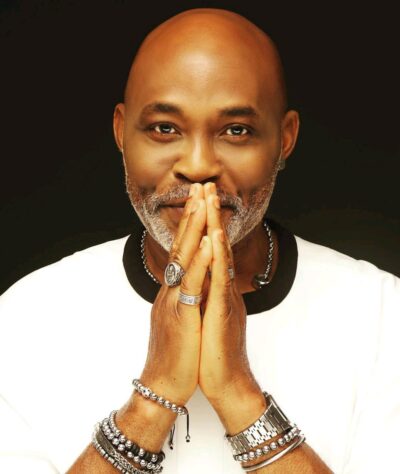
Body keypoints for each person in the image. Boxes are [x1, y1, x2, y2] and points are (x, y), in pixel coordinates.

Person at [0, 7, 399, 474]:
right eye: (164, 128)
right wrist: (155, 396)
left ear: (284, 138)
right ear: (121, 133)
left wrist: (237, 393)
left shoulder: (381, 315)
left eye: (236, 131)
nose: (198, 165)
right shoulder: (25, 319)